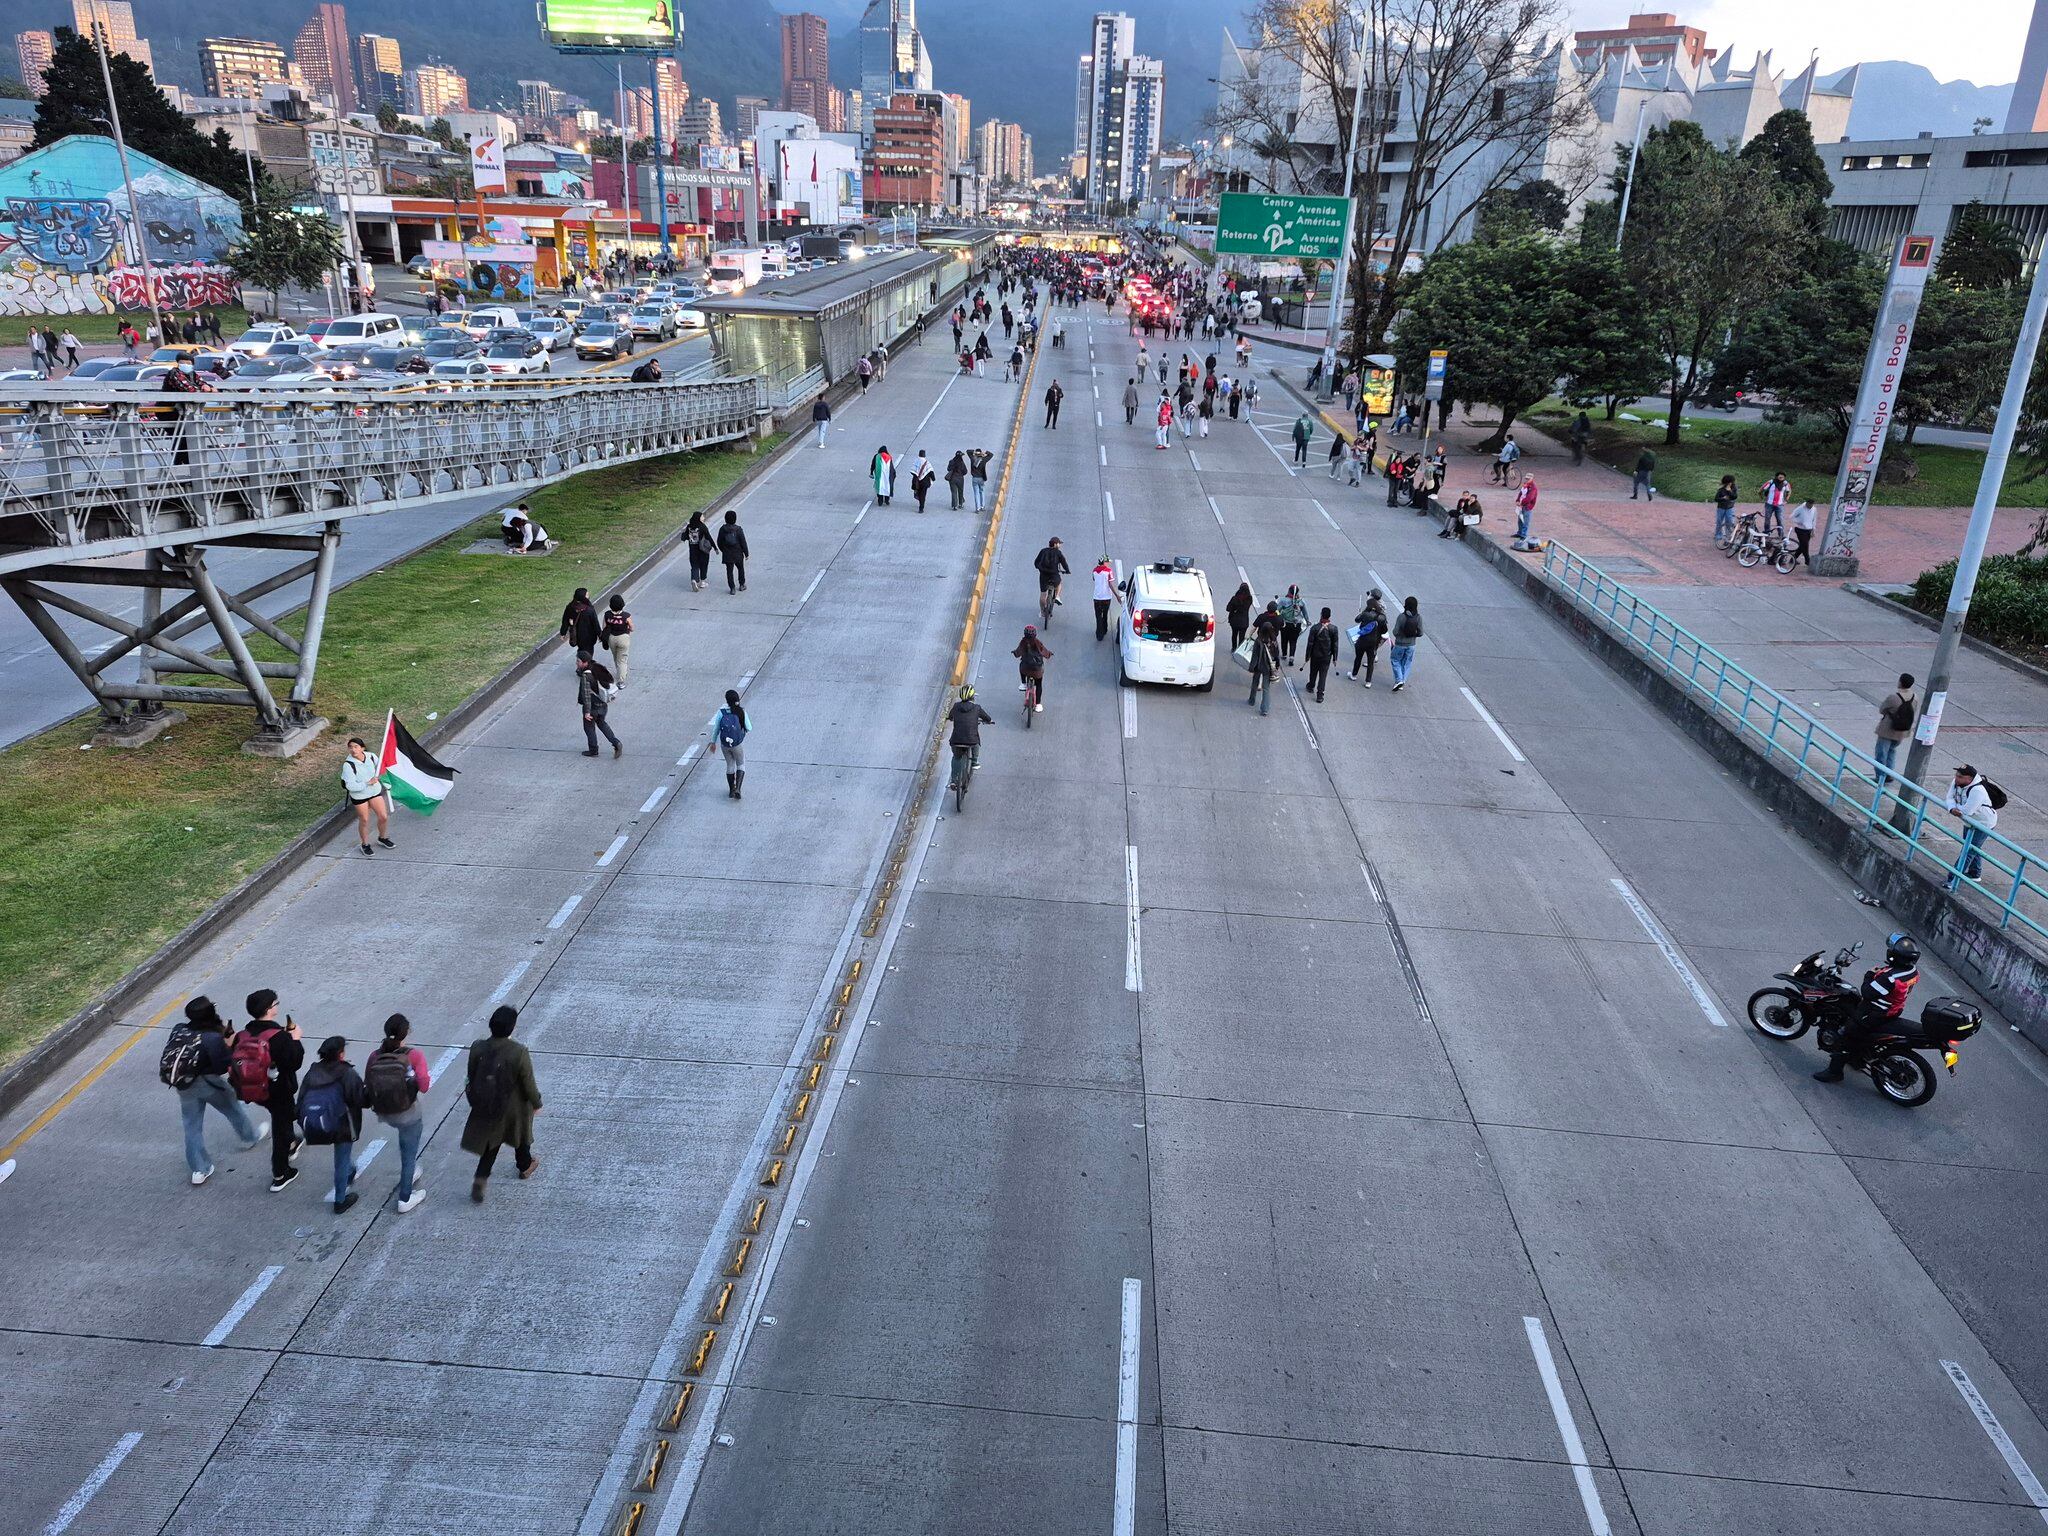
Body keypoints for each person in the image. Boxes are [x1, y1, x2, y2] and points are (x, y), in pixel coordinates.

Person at [162, 996, 268, 1185]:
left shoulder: (179, 1028)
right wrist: (228, 1045)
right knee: (232, 1107)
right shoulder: (211, 1037)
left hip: (183, 1084)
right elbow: (221, 1067)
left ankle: (199, 1169)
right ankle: (249, 1137)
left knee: (191, 1127)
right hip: (208, 1083)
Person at [1812, 933, 1921, 1083]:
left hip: (1875, 1012)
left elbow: (1867, 992)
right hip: (1893, 1009)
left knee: (1845, 1033)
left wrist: (1869, 974)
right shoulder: (1912, 971)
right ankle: (1857, 1058)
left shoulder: (1890, 978)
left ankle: (1834, 1072)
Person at [463, 1005, 542, 1202]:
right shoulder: (519, 1052)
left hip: (489, 1105)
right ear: (513, 1027)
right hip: (515, 1108)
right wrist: (536, 1102)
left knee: (491, 1145)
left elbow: (471, 1075)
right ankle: (524, 1166)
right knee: (521, 1136)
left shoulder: (477, 1047)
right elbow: (528, 1083)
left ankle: (480, 1181)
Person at [365, 1014, 432, 1212]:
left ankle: (409, 1173)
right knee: (409, 1151)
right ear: (407, 1033)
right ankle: (405, 1198)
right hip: (408, 1113)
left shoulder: (375, 1055)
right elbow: (425, 1086)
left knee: (406, 1146)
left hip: (385, 1112)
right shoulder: (414, 1055)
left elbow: (368, 1081)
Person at [296, 1035, 365, 1213]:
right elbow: (360, 1099)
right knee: (341, 1159)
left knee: (344, 1160)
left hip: (317, 1123)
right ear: (341, 1054)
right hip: (342, 1125)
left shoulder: (313, 1072)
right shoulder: (347, 1073)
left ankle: (350, 1171)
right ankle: (340, 1200)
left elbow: (302, 1098)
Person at [1945, 765, 2000, 891]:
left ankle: (1952, 879)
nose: (1956, 778)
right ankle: (1975, 873)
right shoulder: (1956, 783)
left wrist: (1954, 807)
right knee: (1972, 848)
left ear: (1970, 779)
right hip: (1970, 822)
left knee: (1968, 851)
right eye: (1956, 775)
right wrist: (1952, 808)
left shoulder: (1977, 791)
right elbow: (1949, 798)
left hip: (1983, 824)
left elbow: (1967, 811)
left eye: (1960, 777)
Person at [341, 736, 394, 857]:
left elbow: (381, 769)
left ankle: (382, 837)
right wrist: (367, 783)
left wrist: (384, 780)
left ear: (362, 748)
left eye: (356, 747)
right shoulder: (348, 765)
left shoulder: (371, 756)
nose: (353, 750)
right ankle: (365, 844)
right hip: (360, 796)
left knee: (383, 816)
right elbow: (350, 786)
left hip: (374, 792)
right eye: (350, 747)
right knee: (364, 820)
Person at [576, 649, 621, 758]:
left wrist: (587, 712)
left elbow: (586, 695)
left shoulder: (586, 676)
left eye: (578, 661)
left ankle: (593, 750)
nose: (577, 663)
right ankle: (616, 742)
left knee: (589, 727)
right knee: (602, 723)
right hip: (603, 704)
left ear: (584, 662)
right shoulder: (597, 667)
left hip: (593, 707)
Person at [948, 683, 994, 782]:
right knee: (976, 743)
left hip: (956, 740)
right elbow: (987, 718)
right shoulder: (977, 708)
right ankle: (974, 762)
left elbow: (950, 717)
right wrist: (989, 721)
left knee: (956, 757)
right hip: (971, 740)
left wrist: (952, 718)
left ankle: (954, 780)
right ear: (972, 696)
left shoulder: (956, 706)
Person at [1873, 673, 1916, 780]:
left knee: (1881, 754)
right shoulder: (1915, 697)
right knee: (1892, 751)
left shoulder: (1893, 697)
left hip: (1888, 730)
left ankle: (1880, 776)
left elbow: (1882, 709)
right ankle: (1889, 773)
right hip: (1902, 731)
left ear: (1900, 682)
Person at [716, 688, 749, 799]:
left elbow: (716, 729)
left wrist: (712, 741)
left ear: (726, 700)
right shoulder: (741, 711)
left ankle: (731, 790)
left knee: (730, 765)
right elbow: (749, 727)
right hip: (737, 744)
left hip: (724, 745)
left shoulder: (721, 712)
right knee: (741, 764)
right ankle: (738, 789)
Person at [1247, 611, 1281, 715]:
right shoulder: (1274, 641)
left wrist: (1251, 667)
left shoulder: (1259, 640)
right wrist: (1277, 666)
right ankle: (1264, 709)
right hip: (1268, 668)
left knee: (1255, 683)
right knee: (1266, 688)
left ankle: (1252, 700)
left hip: (1259, 666)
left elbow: (1255, 656)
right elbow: (1276, 654)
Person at [1350, 591, 1387, 685]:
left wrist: (1363, 612)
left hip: (1362, 640)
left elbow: (1356, 619)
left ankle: (1354, 675)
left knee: (1358, 658)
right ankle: (1368, 681)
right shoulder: (1381, 617)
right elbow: (1384, 631)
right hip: (1374, 642)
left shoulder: (1365, 614)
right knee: (1370, 662)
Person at [1304, 607, 1339, 702]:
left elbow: (1310, 643)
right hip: (1326, 656)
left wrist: (1307, 656)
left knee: (1313, 671)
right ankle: (1320, 695)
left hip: (1315, 655)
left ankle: (1311, 685)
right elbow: (1335, 645)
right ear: (1329, 616)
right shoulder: (1334, 629)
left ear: (1321, 615)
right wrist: (1335, 658)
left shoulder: (1315, 628)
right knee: (1323, 675)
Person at [1389, 596, 1423, 691]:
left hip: (1400, 644)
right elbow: (1421, 633)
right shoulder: (1418, 618)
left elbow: (1395, 632)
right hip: (1411, 645)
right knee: (1406, 663)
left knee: (1395, 660)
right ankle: (1402, 681)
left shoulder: (1401, 617)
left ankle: (1399, 680)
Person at [601, 593, 634, 685]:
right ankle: (621, 679)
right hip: (623, 638)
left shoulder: (607, 615)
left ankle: (619, 671)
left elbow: (604, 627)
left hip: (611, 638)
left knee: (616, 657)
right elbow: (632, 628)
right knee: (622, 659)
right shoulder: (626, 616)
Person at [1014, 625, 1051, 708]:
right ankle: (1038, 704)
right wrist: (1049, 654)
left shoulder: (1023, 642)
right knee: (1039, 684)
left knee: (1021, 665)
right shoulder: (1038, 642)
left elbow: (1018, 652)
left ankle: (1023, 683)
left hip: (1025, 669)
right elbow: (1044, 652)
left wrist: (1015, 653)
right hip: (1037, 671)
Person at [1034, 536, 1070, 613]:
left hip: (1043, 576)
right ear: (1055, 544)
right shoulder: (1058, 552)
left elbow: (1036, 562)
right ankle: (1057, 596)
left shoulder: (1043, 551)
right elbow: (1064, 563)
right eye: (1059, 543)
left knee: (1043, 594)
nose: (1059, 545)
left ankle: (1042, 612)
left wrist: (1039, 568)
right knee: (1059, 583)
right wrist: (1067, 570)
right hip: (1054, 575)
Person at [716, 509, 749, 592]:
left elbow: (719, 542)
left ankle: (732, 588)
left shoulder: (722, 529)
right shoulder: (738, 529)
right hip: (738, 553)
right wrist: (746, 553)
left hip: (727, 554)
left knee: (729, 571)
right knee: (740, 568)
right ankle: (742, 584)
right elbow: (743, 542)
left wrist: (723, 550)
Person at [559, 587, 600, 652]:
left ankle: (582, 660)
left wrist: (563, 633)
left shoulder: (570, 607)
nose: (588, 596)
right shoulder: (589, 609)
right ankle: (585, 661)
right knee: (588, 652)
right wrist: (599, 634)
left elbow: (565, 621)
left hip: (577, 635)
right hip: (589, 636)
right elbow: (595, 623)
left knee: (581, 650)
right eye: (587, 595)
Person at [1276, 585, 1308, 666]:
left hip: (1285, 624)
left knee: (1284, 639)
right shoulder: (1301, 601)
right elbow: (1305, 613)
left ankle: (1284, 654)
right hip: (1296, 625)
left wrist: (1279, 618)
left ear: (1289, 591)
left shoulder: (1283, 600)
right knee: (1293, 641)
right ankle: (1291, 657)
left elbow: (1277, 611)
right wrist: (1307, 621)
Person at [683, 511, 715, 592]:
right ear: (699, 518)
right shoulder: (702, 527)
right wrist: (715, 547)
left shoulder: (689, 526)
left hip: (693, 550)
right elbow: (709, 537)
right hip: (702, 550)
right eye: (702, 516)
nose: (703, 518)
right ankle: (702, 582)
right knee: (704, 565)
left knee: (694, 565)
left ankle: (694, 579)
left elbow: (685, 536)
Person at [1092, 557, 1121, 641]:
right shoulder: (1108, 571)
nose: (1108, 564)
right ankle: (1104, 629)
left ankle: (1099, 634)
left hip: (1097, 597)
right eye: (1107, 562)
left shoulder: (1094, 570)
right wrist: (1117, 595)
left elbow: (1094, 579)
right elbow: (1110, 584)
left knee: (1098, 616)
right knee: (1105, 614)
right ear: (1104, 562)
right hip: (1107, 598)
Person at [1789, 498, 1818, 568]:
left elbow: (1814, 520)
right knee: (1805, 545)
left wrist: (1813, 530)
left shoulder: (1814, 509)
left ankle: (1793, 558)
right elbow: (1791, 516)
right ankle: (1807, 561)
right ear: (1806, 503)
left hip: (1808, 530)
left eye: (1812, 505)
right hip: (1800, 529)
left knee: (1803, 546)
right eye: (1809, 504)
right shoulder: (1800, 508)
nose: (1810, 506)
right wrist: (1799, 522)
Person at [1225, 581, 1254, 650]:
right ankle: (1239, 650)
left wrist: (1233, 609)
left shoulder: (1234, 598)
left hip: (1234, 621)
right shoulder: (1249, 599)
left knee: (1234, 635)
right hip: (1244, 621)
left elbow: (1228, 609)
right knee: (1242, 636)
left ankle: (1233, 648)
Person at [1512, 475, 1539, 547]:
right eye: (1526, 478)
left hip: (1527, 506)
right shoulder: (1525, 485)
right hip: (1521, 505)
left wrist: (1521, 503)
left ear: (1532, 479)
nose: (1526, 480)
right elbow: (1520, 493)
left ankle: (1523, 534)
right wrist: (1517, 500)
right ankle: (1520, 532)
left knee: (1525, 521)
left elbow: (1530, 498)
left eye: (1528, 479)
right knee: (1520, 520)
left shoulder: (1533, 488)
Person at [1713, 474, 1740, 546]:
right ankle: (1718, 535)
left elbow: (1734, 497)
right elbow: (1716, 499)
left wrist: (1730, 491)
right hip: (1721, 508)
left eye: (1732, 482)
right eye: (1730, 482)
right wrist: (1723, 498)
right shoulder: (1721, 490)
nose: (1731, 483)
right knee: (1719, 521)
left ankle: (1729, 537)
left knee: (1729, 522)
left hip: (1730, 508)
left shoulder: (1734, 489)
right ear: (1727, 482)